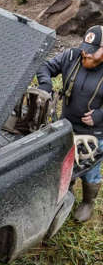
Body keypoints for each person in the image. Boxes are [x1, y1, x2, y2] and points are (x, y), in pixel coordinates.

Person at [37, 25, 103, 222]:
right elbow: (45, 66)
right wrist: (45, 84)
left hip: (95, 133)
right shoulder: (71, 56)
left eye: (93, 52)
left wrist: (100, 115)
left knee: (90, 169)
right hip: (65, 125)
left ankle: (88, 202)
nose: (86, 54)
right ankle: (66, 192)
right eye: (85, 48)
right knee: (65, 162)